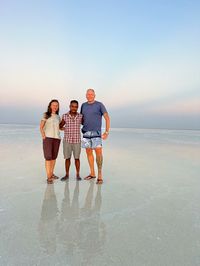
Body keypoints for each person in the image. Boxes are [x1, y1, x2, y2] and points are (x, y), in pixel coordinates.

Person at [81, 89, 110, 184]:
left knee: (98, 154)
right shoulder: (83, 105)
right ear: (86, 95)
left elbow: (107, 117)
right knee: (88, 153)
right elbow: (81, 119)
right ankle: (92, 173)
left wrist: (106, 131)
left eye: (91, 94)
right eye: (88, 94)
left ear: (94, 95)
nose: (89, 96)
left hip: (96, 133)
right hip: (85, 133)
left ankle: (100, 175)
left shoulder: (99, 105)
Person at [59, 100, 83, 181]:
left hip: (77, 140)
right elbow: (60, 125)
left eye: (76, 107)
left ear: (77, 107)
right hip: (67, 141)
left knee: (77, 158)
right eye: (72, 106)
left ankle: (78, 174)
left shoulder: (80, 116)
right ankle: (66, 175)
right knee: (67, 158)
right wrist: (63, 128)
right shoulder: (65, 116)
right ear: (70, 106)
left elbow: (86, 124)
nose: (74, 108)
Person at [40, 99, 61, 184]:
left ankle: (52, 174)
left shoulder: (58, 117)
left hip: (57, 138)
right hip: (48, 138)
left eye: (56, 105)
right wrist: (43, 136)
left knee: (53, 157)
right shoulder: (46, 115)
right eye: (53, 105)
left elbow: (59, 128)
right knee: (48, 157)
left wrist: (67, 128)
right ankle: (49, 177)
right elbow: (41, 127)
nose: (55, 107)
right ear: (50, 106)